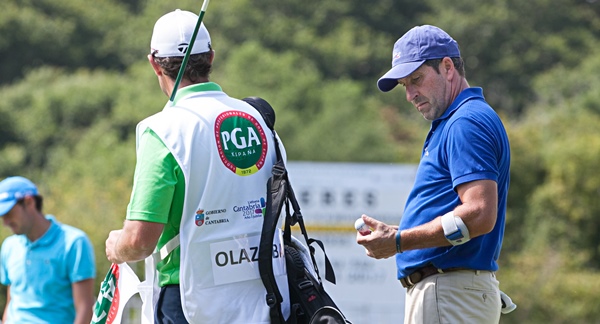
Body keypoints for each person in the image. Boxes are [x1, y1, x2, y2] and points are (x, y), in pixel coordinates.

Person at [104, 9, 290, 324]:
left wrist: (116, 247)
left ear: (154, 63)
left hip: (190, 303)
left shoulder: (163, 130)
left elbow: (138, 241)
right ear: (211, 58)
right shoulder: (260, 119)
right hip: (267, 297)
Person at [356, 25, 511, 323]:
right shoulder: (458, 120)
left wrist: (399, 241)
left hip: (449, 292)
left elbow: (479, 213)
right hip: (451, 293)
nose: (410, 94)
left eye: (416, 79)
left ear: (448, 67)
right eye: (405, 85)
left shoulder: (465, 122)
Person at [0, 176, 96, 324]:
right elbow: (12, 301)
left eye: (9, 214)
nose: (5, 222)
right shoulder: (9, 246)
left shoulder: (74, 243)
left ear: (29, 202)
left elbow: (84, 308)